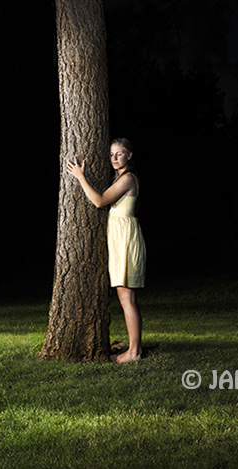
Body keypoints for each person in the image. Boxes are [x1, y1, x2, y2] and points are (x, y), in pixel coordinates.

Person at [65, 137, 146, 364]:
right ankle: (134, 349)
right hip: (120, 237)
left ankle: (134, 352)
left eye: (119, 154)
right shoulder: (119, 177)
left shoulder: (128, 178)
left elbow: (100, 201)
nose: (114, 158)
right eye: (111, 154)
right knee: (125, 296)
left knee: (126, 296)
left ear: (130, 154)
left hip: (126, 239)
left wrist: (81, 177)